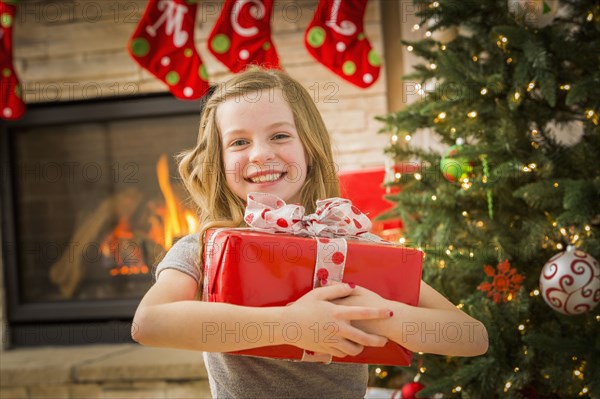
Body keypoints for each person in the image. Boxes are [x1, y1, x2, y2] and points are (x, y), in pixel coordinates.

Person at [132, 68, 488, 398]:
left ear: (310, 148)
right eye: (239, 143)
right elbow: (149, 323)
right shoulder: (203, 247)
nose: (260, 153)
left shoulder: (354, 244)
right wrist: (290, 325)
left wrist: (378, 312)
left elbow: (472, 336)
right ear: (218, 162)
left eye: (280, 135)